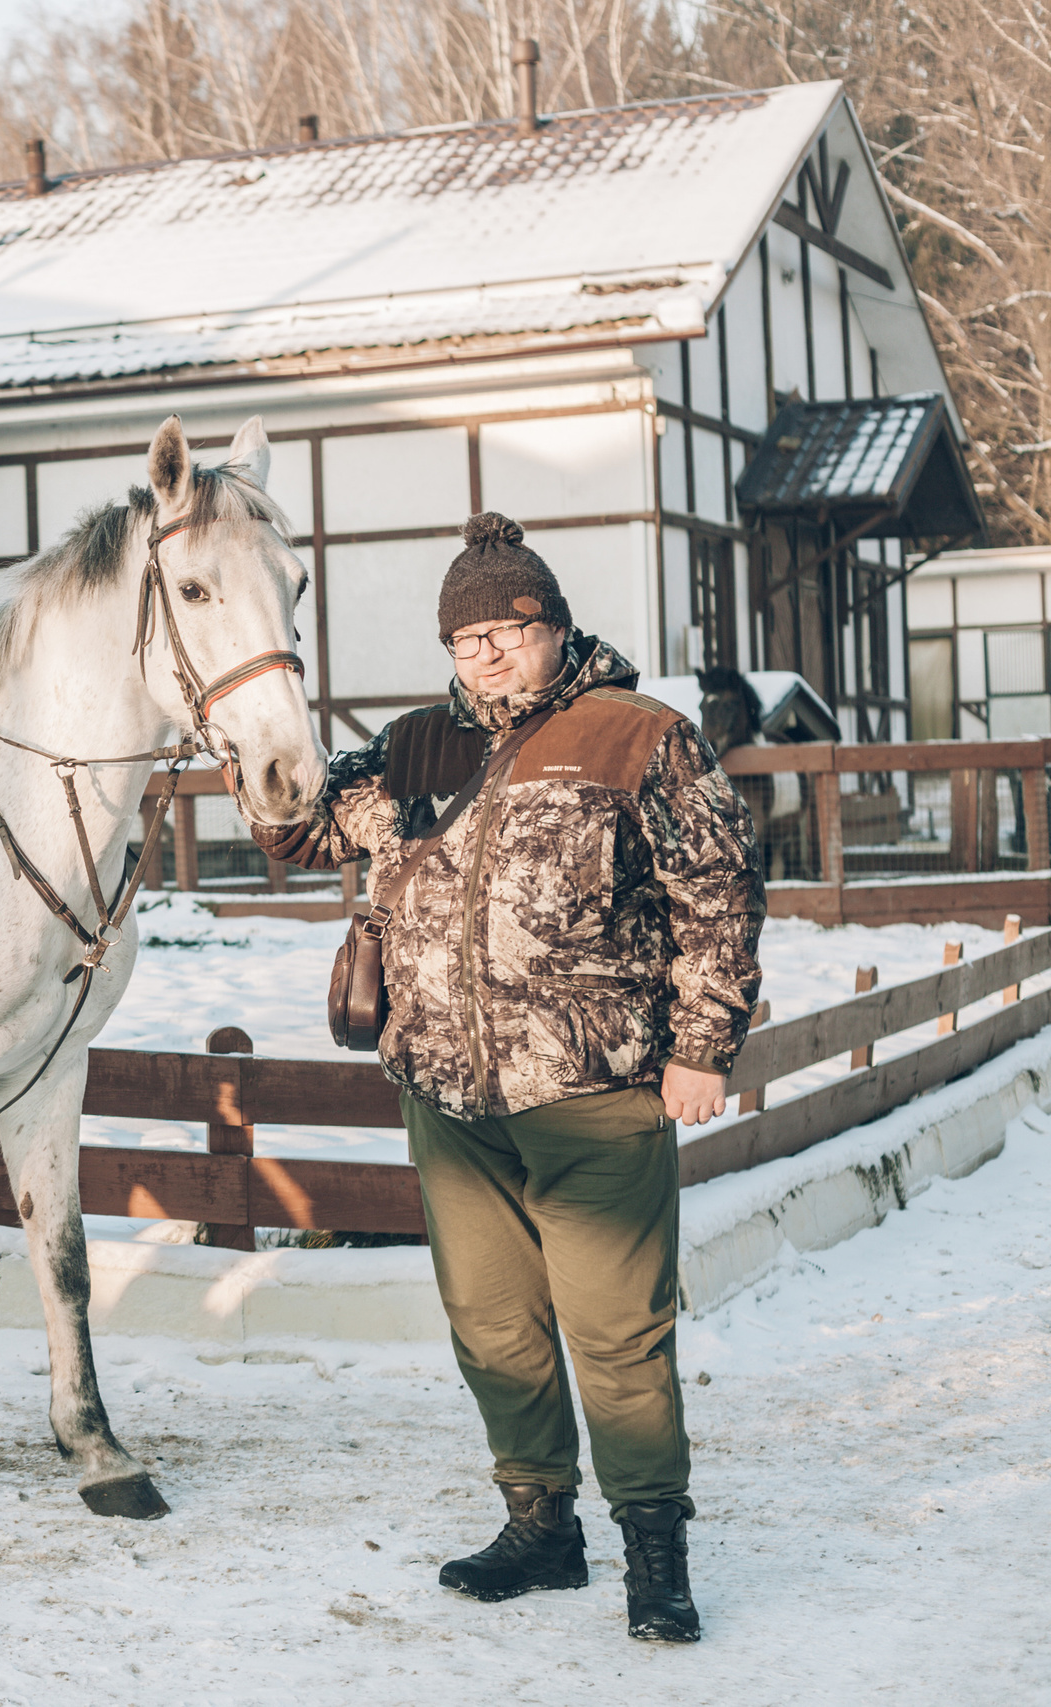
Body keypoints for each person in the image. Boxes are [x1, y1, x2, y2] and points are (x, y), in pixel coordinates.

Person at [246, 514, 763, 1644]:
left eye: (508, 631)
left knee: (618, 1335)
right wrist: (261, 737)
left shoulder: (638, 736)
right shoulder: (417, 744)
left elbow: (719, 892)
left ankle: (655, 1555)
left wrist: (702, 1048)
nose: (486, 654)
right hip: (446, 1091)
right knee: (492, 1325)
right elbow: (296, 832)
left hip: (593, 1089)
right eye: (465, 637)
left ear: (556, 627)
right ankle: (541, 1528)